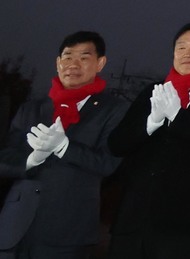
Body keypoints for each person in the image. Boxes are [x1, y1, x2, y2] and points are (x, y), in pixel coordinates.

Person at [106, 20, 190, 259]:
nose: (188, 53)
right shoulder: (154, 91)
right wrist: (151, 123)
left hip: (182, 221)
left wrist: (178, 118)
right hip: (133, 216)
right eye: (181, 47)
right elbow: (117, 143)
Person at [0, 30, 128, 259]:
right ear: (58, 63)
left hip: (68, 229)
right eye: (67, 57)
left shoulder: (113, 110)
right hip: (15, 225)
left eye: (83, 57)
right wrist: (30, 160)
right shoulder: (32, 108)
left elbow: (108, 163)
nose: (73, 64)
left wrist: (64, 148)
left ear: (100, 63)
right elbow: (5, 159)